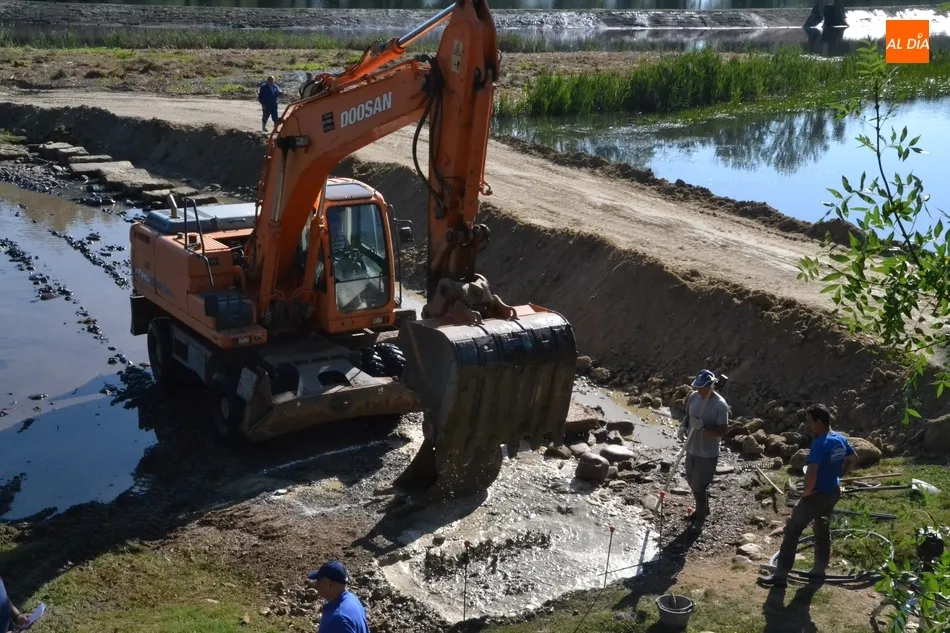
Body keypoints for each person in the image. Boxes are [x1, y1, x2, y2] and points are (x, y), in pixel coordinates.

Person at [759, 403, 857, 588]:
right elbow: (854, 458)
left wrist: (806, 493)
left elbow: (811, 473)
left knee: (792, 530)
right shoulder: (840, 439)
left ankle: (780, 576)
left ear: (819, 421)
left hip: (816, 495)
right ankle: (818, 572)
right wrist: (840, 475)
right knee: (822, 531)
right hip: (832, 493)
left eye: (810, 421)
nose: (808, 425)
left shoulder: (820, 443)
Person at [676, 369, 729, 532]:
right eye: (697, 387)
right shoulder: (694, 397)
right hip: (691, 447)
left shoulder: (720, 405)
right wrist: (683, 426)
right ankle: (703, 509)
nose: (698, 391)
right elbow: (688, 415)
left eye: (701, 388)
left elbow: (722, 431)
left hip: (707, 452)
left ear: (710, 386)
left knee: (699, 487)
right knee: (692, 482)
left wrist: (704, 428)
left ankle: (699, 520)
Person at [307, 561, 369, 633]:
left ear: (330, 584)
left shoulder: (339, 620)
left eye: (319, 580)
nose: (316, 584)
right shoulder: (353, 599)